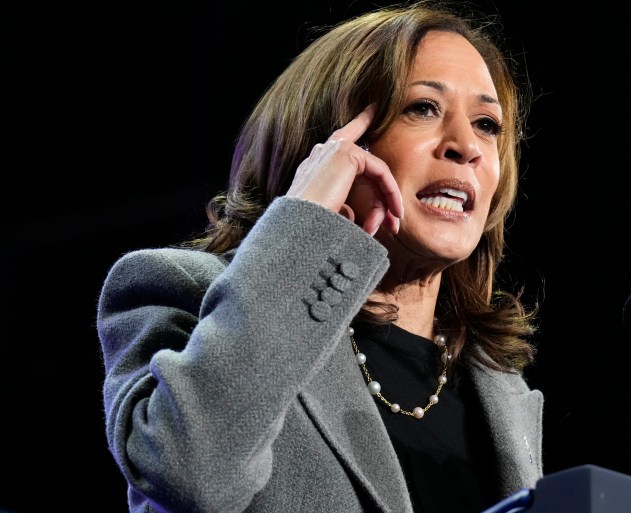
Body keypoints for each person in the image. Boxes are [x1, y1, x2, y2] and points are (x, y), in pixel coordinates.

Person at [96, 1, 543, 512]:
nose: (467, 146)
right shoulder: (179, 292)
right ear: (331, 140)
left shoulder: (497, 386)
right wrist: (304, 222)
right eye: (422, 108)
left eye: (488, 124)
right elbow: (194, 477)